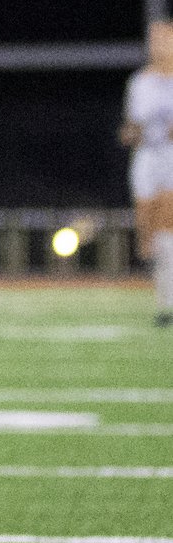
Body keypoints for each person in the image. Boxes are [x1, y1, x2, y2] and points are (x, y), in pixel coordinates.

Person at [120, 18, 173, 325]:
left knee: (167, 225)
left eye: (165, 39)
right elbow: (132, 127)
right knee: (147, 238)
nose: (159, 46)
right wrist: (130, 134)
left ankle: (165, 306)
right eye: (155, 40)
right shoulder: (140, 83)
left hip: (170, 157)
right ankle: (163, 295)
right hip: (146, 157)